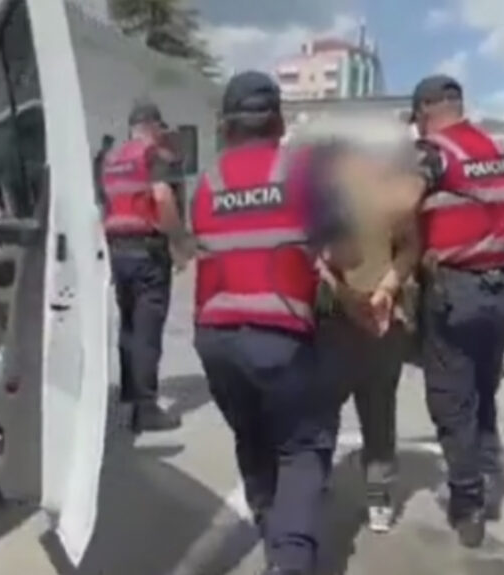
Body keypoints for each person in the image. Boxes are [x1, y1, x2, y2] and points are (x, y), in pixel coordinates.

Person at [190, 70, 359, 575]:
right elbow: (348, 252)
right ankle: (290, 559)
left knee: (253, 435)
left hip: (214, 340)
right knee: (303, 447)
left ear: (225, 126)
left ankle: (271, 527)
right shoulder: (303, 172)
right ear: (279, 122)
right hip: (280, 338)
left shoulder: (207, 183)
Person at [290, 114, 423, 534]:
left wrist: (380, 290)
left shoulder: (355, 194)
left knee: (357, 411)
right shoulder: (355, 193)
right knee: (355, 411)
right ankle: (355, 492)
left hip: (369, 317)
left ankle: (363, 493)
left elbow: (408, 246)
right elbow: (408, 247)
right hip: (355, 317)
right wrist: (374, 294)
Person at [409, 74, 504, 546]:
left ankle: (469, 505)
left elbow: (398, 203)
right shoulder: (494, 149)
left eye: (417, 117)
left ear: (426, 110)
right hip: (503, 290)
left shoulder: (434, 152)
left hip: (458, 290)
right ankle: (489, 471)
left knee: (452, 401)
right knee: (483, 390)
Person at [102, 100, 187, 432]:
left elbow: (104, 204)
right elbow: (162, 198)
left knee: (128, 326)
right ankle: (146, 408)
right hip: (148, 252)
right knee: (147, 329)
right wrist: (179, 241)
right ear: (153, 127)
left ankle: (129, 393)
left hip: (117, 250)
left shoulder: (112, 161)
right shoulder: (154, 157)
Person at [93, 133, 116, 211]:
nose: (111, 147)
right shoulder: (99, 159)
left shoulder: (110, 159)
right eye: (110, 145)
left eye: (111, 145)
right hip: (104, 193)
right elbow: (98, 178)